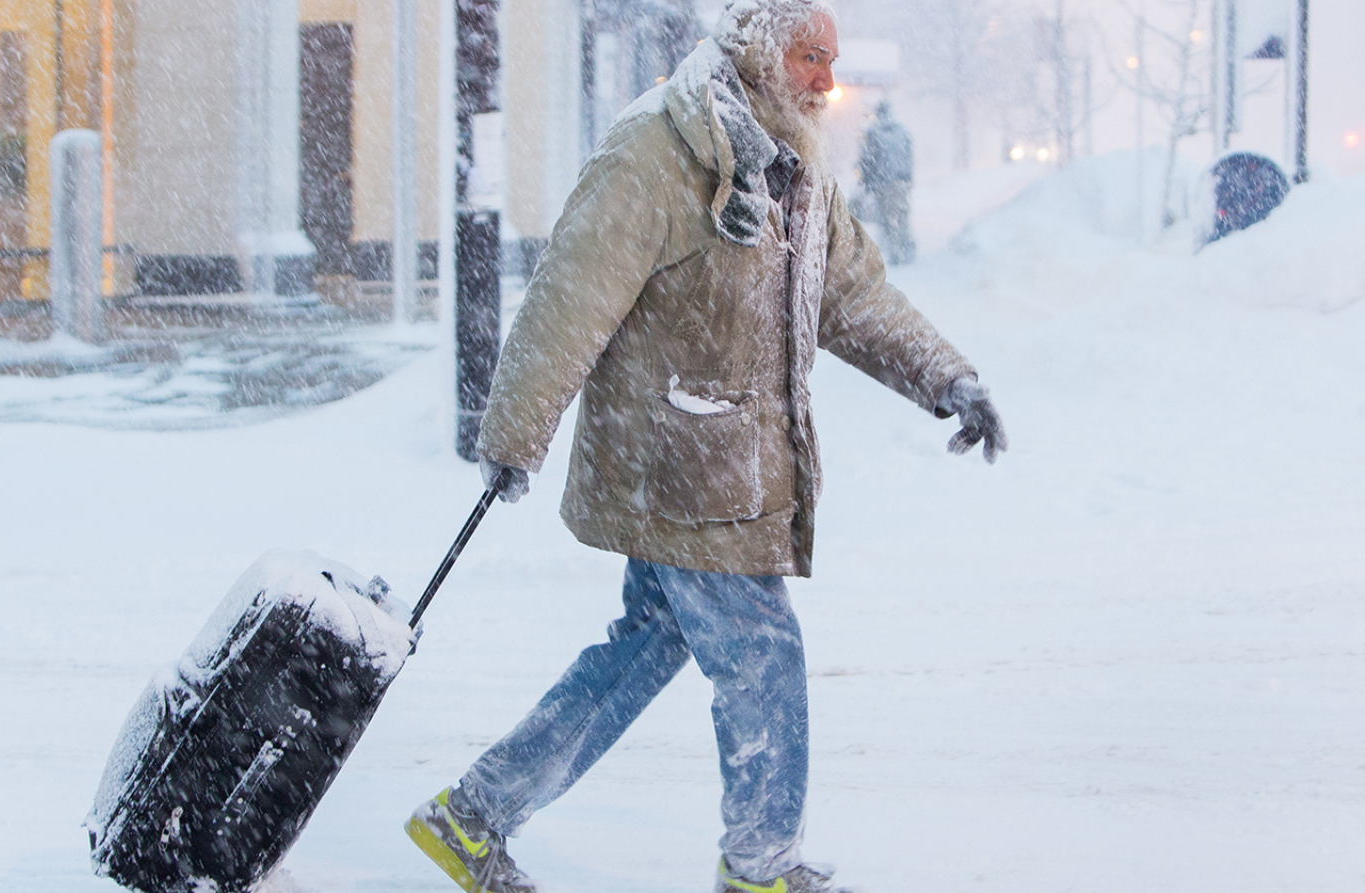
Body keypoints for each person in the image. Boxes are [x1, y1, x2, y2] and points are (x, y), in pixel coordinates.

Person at [404, 2, 1007, 892]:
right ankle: (762, 865)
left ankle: (473, 814)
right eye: (810, 56)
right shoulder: (660, 147)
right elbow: (571, 290)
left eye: (831, 60)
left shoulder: (798, 167)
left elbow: (855, 295)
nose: (826, 82)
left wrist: (947, 379)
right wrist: (517, 431)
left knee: (645, 645)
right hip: (679, 467)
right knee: (763, 658)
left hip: (730, 467)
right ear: (761, 50)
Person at [856, 101, 916, 264]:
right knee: (902, 214)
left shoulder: (874, 132)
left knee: (887, 217)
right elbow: (909, 155)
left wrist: (866, 181)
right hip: (902, 181)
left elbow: (868, 159)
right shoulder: (903, 131)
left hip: (884, 183)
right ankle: (906, 246)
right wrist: (908, 178)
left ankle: (895, 250)